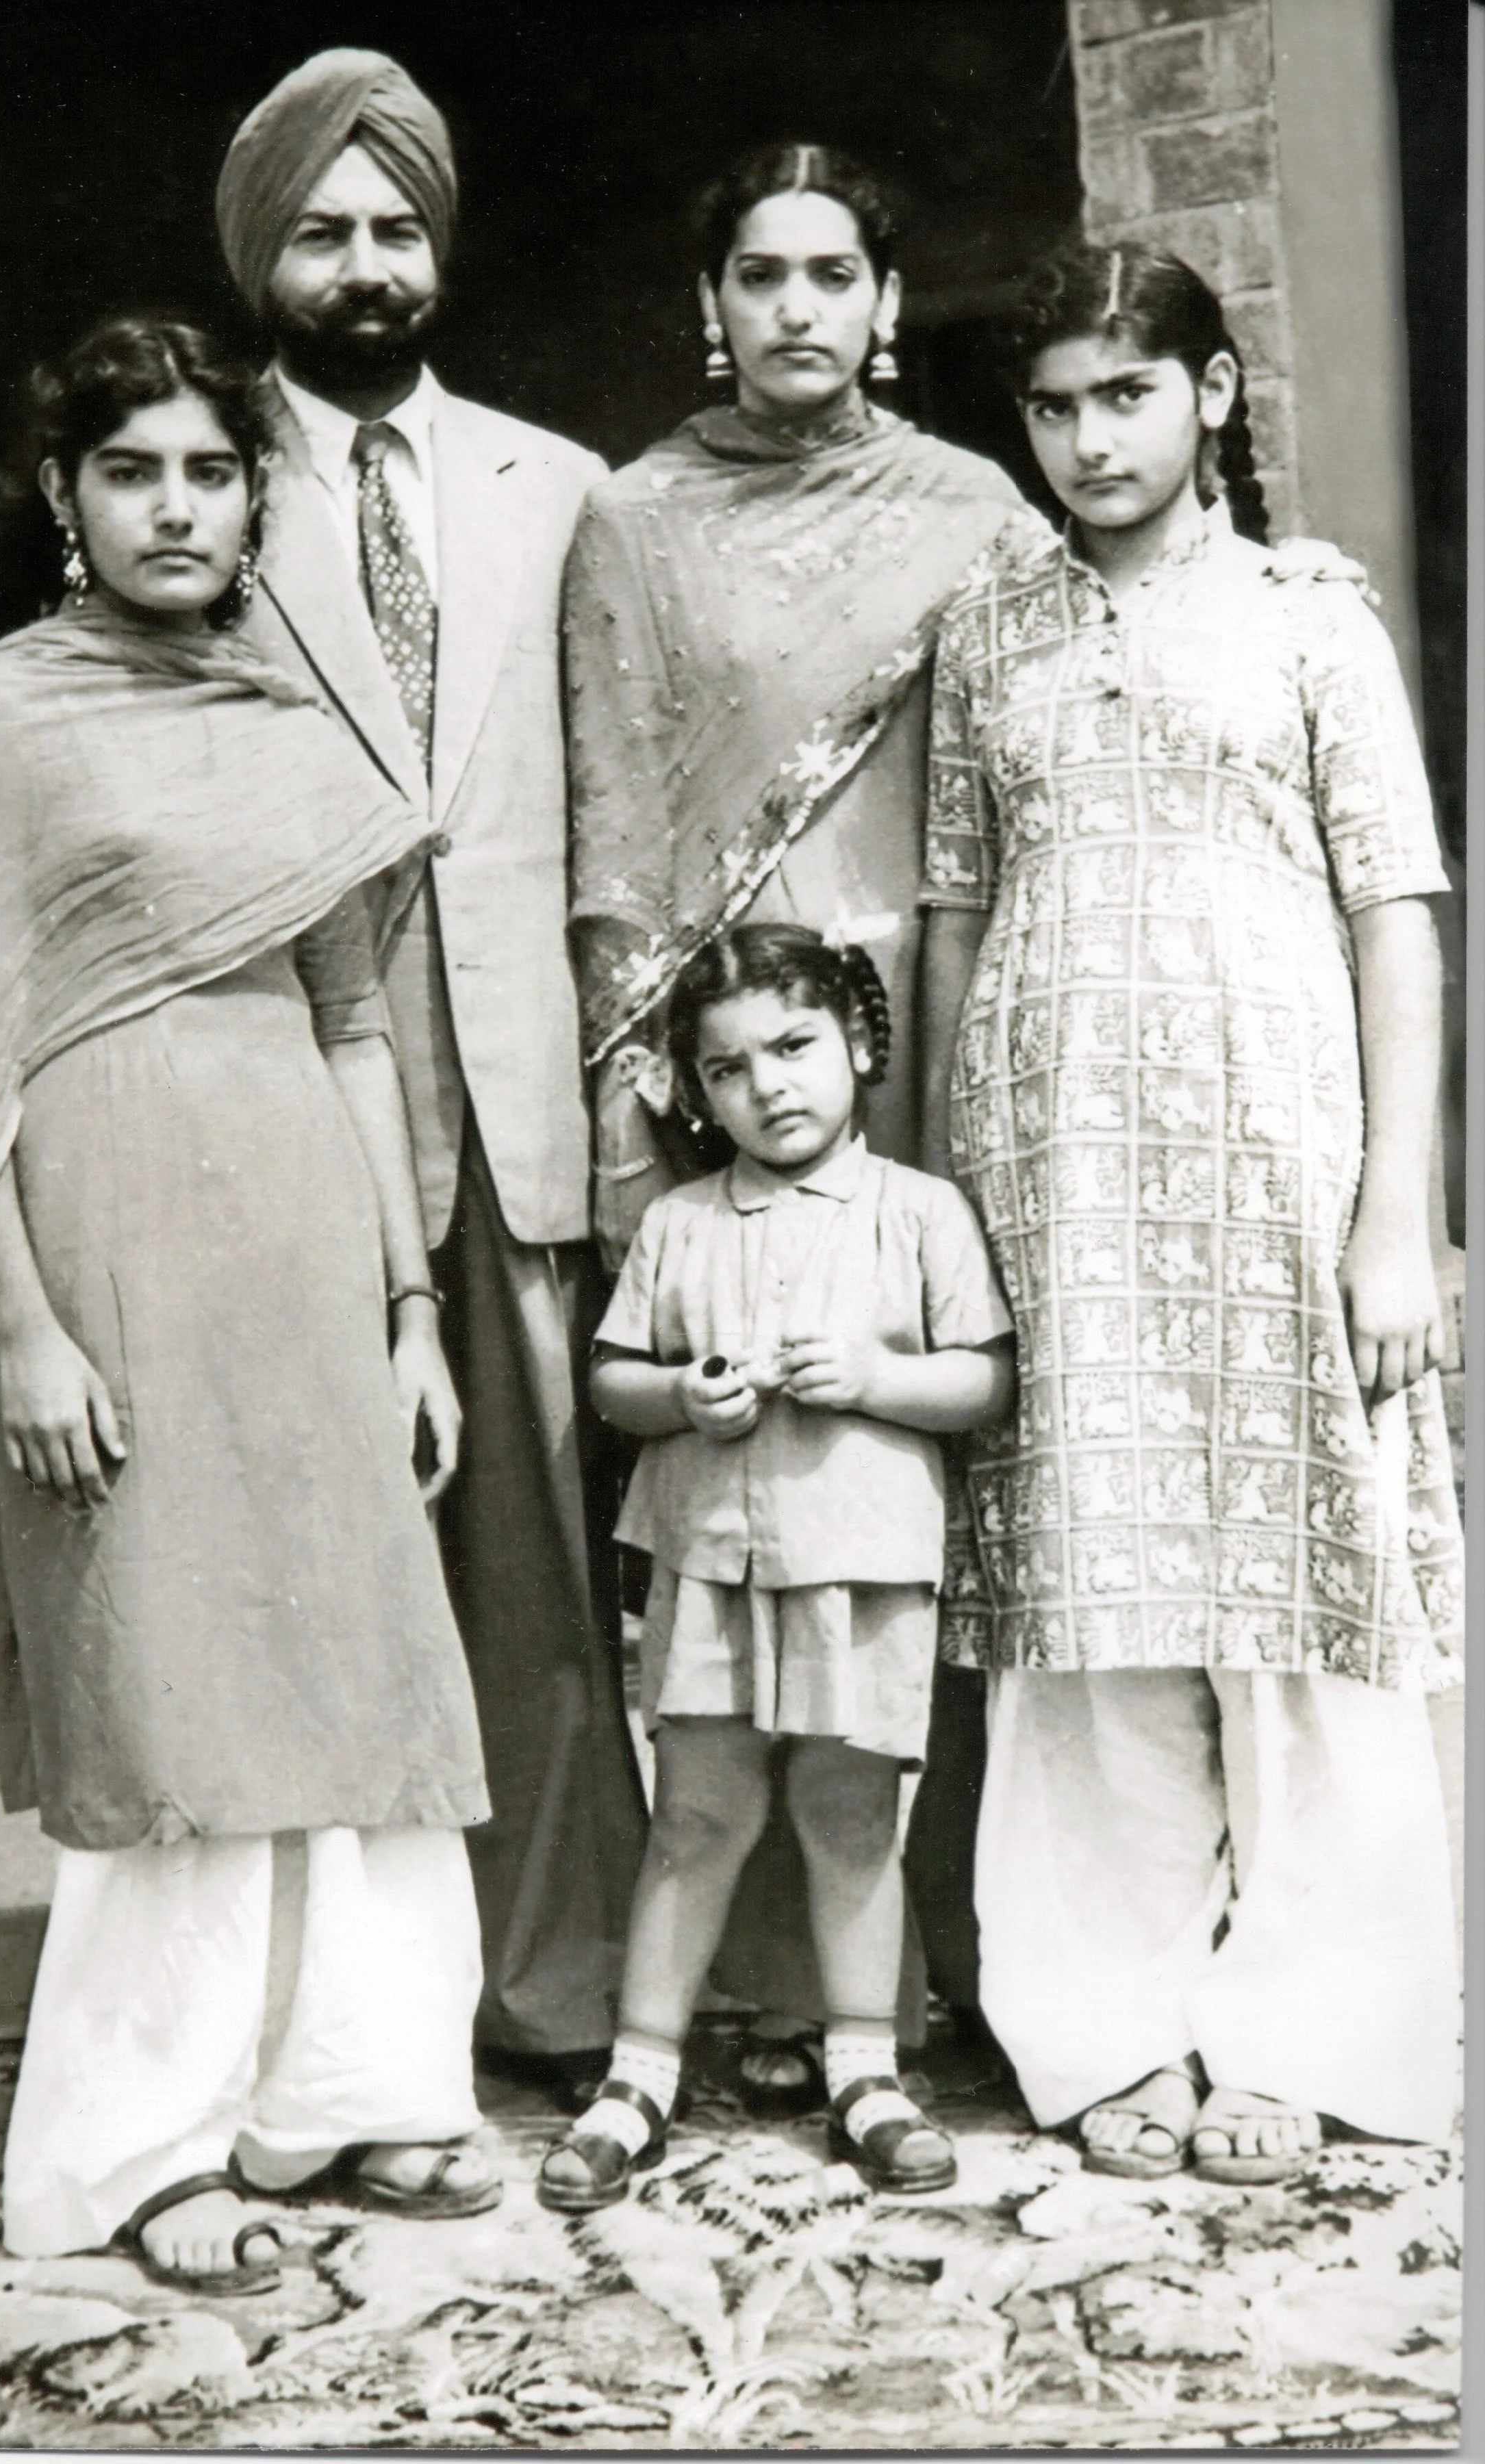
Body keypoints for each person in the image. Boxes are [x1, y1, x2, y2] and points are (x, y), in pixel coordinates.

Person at [0, 318, 505, 2285]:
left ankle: (365, 2098)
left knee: (358, 1657)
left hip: (305, 1241)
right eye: (129, 471)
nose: (173, 506)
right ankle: (143, 2151)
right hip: (108, 1238)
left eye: (210, 471)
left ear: (255, 496)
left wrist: (407, 1302)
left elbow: (355, 1026)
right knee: (173, 1676)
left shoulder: (300, 712)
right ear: (63, 499)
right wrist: (27, 1326)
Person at [921, 242, 1463, 2184]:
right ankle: (1104, 2025)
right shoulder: (993, 628)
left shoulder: (1313, 622)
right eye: (1054, 407)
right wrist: (943, 1217)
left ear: (1214, 396)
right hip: (1052, 1167)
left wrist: (1401, 1212)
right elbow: (958, 912)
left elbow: (1398, 912)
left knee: (1302, 1602)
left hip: (1276, 1162)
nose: (1087, 439)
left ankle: (1306, 2032)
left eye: (1125, 395)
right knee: (1085, 1600)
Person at [566, 142, 1029, 2103]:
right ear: (711, 303)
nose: (798, 311)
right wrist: (636, 1103)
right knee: (734, 1522)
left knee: (919, 1485)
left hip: (921, 1035)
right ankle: (730, 2000)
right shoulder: (638, 520)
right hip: (724, 1050)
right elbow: (606, 830)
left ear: (891, 303)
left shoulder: (979, 514)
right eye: (759, 274)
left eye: (835, 273)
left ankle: (934, 1982)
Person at [214, 48, 648, 2081]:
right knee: (320, 1546)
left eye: (395, 230)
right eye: (323, 232)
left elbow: (621, 806)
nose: (365, 267)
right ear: (262, 259)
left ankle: (557, 1986)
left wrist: (628, 1064)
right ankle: (344, 2018)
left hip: (523, 1074)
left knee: (541, 1561)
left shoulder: (559, 487)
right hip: (291, 1077)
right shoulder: (198, 476)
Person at [536, 925, 1015, 2212]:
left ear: (859, 1043)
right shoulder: (679, 1226)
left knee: (853, 1817)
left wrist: (875, 1379)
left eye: (796, 1047)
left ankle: (866, 2069)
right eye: (730, 1067)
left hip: (861, 1563)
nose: (771, 1085)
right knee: (696, 1817)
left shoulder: (920, 1211)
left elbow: (985, 1376)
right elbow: (614, 1383)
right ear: (696, 1093)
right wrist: (683, 1400)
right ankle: (638, 2076)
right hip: (710, 1566)